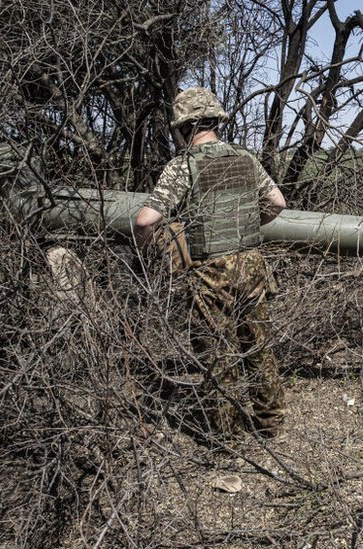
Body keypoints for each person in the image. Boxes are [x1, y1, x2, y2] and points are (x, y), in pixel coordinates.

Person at [134, 87, 288, 438]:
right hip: (252, 266)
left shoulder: (183, 165)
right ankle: (271, 424)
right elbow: (277, 203)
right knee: (258, 345)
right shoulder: (245, 158)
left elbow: (145, 220)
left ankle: (227, 437)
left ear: (185, 127)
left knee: (218, 356)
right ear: (215, 121)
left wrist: (146, 249)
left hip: (210, 272)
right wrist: (246, 223)